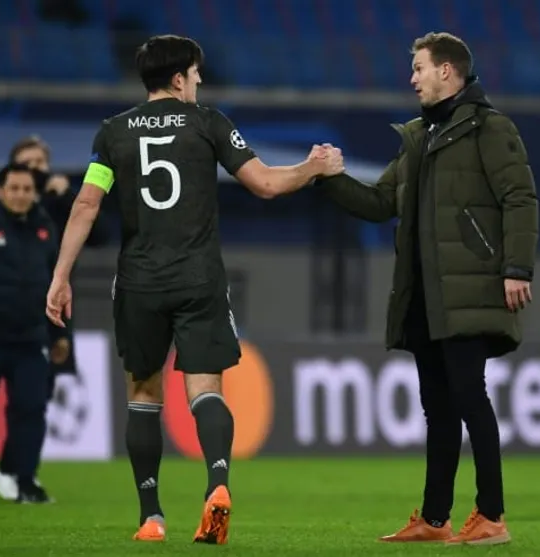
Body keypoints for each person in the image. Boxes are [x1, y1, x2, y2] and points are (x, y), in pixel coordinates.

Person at [44, 34, 343, 544]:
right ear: (179, 78)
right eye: (197, 74)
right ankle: (217, 485)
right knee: (205, 389)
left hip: (139, 282)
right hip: (198, 278)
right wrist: (313, 168)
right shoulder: (208, 123)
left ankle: (151, 518)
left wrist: (60, 276)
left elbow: (87, 205)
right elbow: (266, 184)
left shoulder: (113, 133)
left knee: (143, 392)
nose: (200, 82)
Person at [314, 32, 538, 545]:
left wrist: (517, 268)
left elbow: (520, 198)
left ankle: (492, 515)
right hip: (424, 295)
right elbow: (379, 203)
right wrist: (330, 178)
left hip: (469, 288)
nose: (412, 78)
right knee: (438, 408)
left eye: (418, 68)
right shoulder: (419, 138)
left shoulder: (490, 128)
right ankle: (435, 520)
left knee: (470, 397)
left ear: (446, 70)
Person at [0, 135, 112, 502]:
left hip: (46, 319)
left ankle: (15, 472)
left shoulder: (57, 208)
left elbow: (101, 236)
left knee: (35, 400)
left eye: (40, 164)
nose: (35, 171)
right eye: (27, 164)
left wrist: (68, 197)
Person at [0, 163, 66, 503]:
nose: (21, 195)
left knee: (31, 409)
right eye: (14, 188)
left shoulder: (45, 228)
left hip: (31, 338)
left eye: (27, 189)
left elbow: (58, 284)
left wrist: (60, 335)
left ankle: (25, 481)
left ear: (34, 193)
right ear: (0, 191)